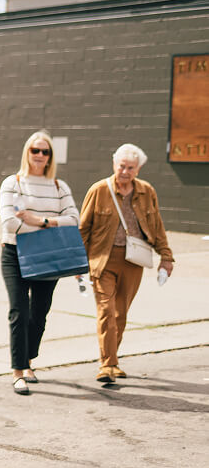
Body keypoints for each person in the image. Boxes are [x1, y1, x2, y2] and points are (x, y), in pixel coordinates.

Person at [78, 143, 175, 383]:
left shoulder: (146, 191)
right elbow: (83, 229)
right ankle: (107, 364)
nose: (125, 172)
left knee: (121, 314)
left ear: (138, 169)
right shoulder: (99, 190)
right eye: (122, 166)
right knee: (106, 311)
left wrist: (166, 257)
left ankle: (112, 358)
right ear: (114, 164)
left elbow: (157, 226)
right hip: (103, 259)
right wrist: (78, 264)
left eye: (131, 168)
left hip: (134, 261)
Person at [0, 131, 80, 395]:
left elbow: (74, 219)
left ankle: (29, 360)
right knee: (19, 312)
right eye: (35, 150)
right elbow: (9, 223)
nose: (40, 156)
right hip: (14, 254)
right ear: (27, 152)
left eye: (45, 152)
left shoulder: (59, 186)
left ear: (51, 156)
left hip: (48, 256)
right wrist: (50, 224)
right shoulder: (14, 183)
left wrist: (39, 221)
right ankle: (18, 371)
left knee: (39, 314)